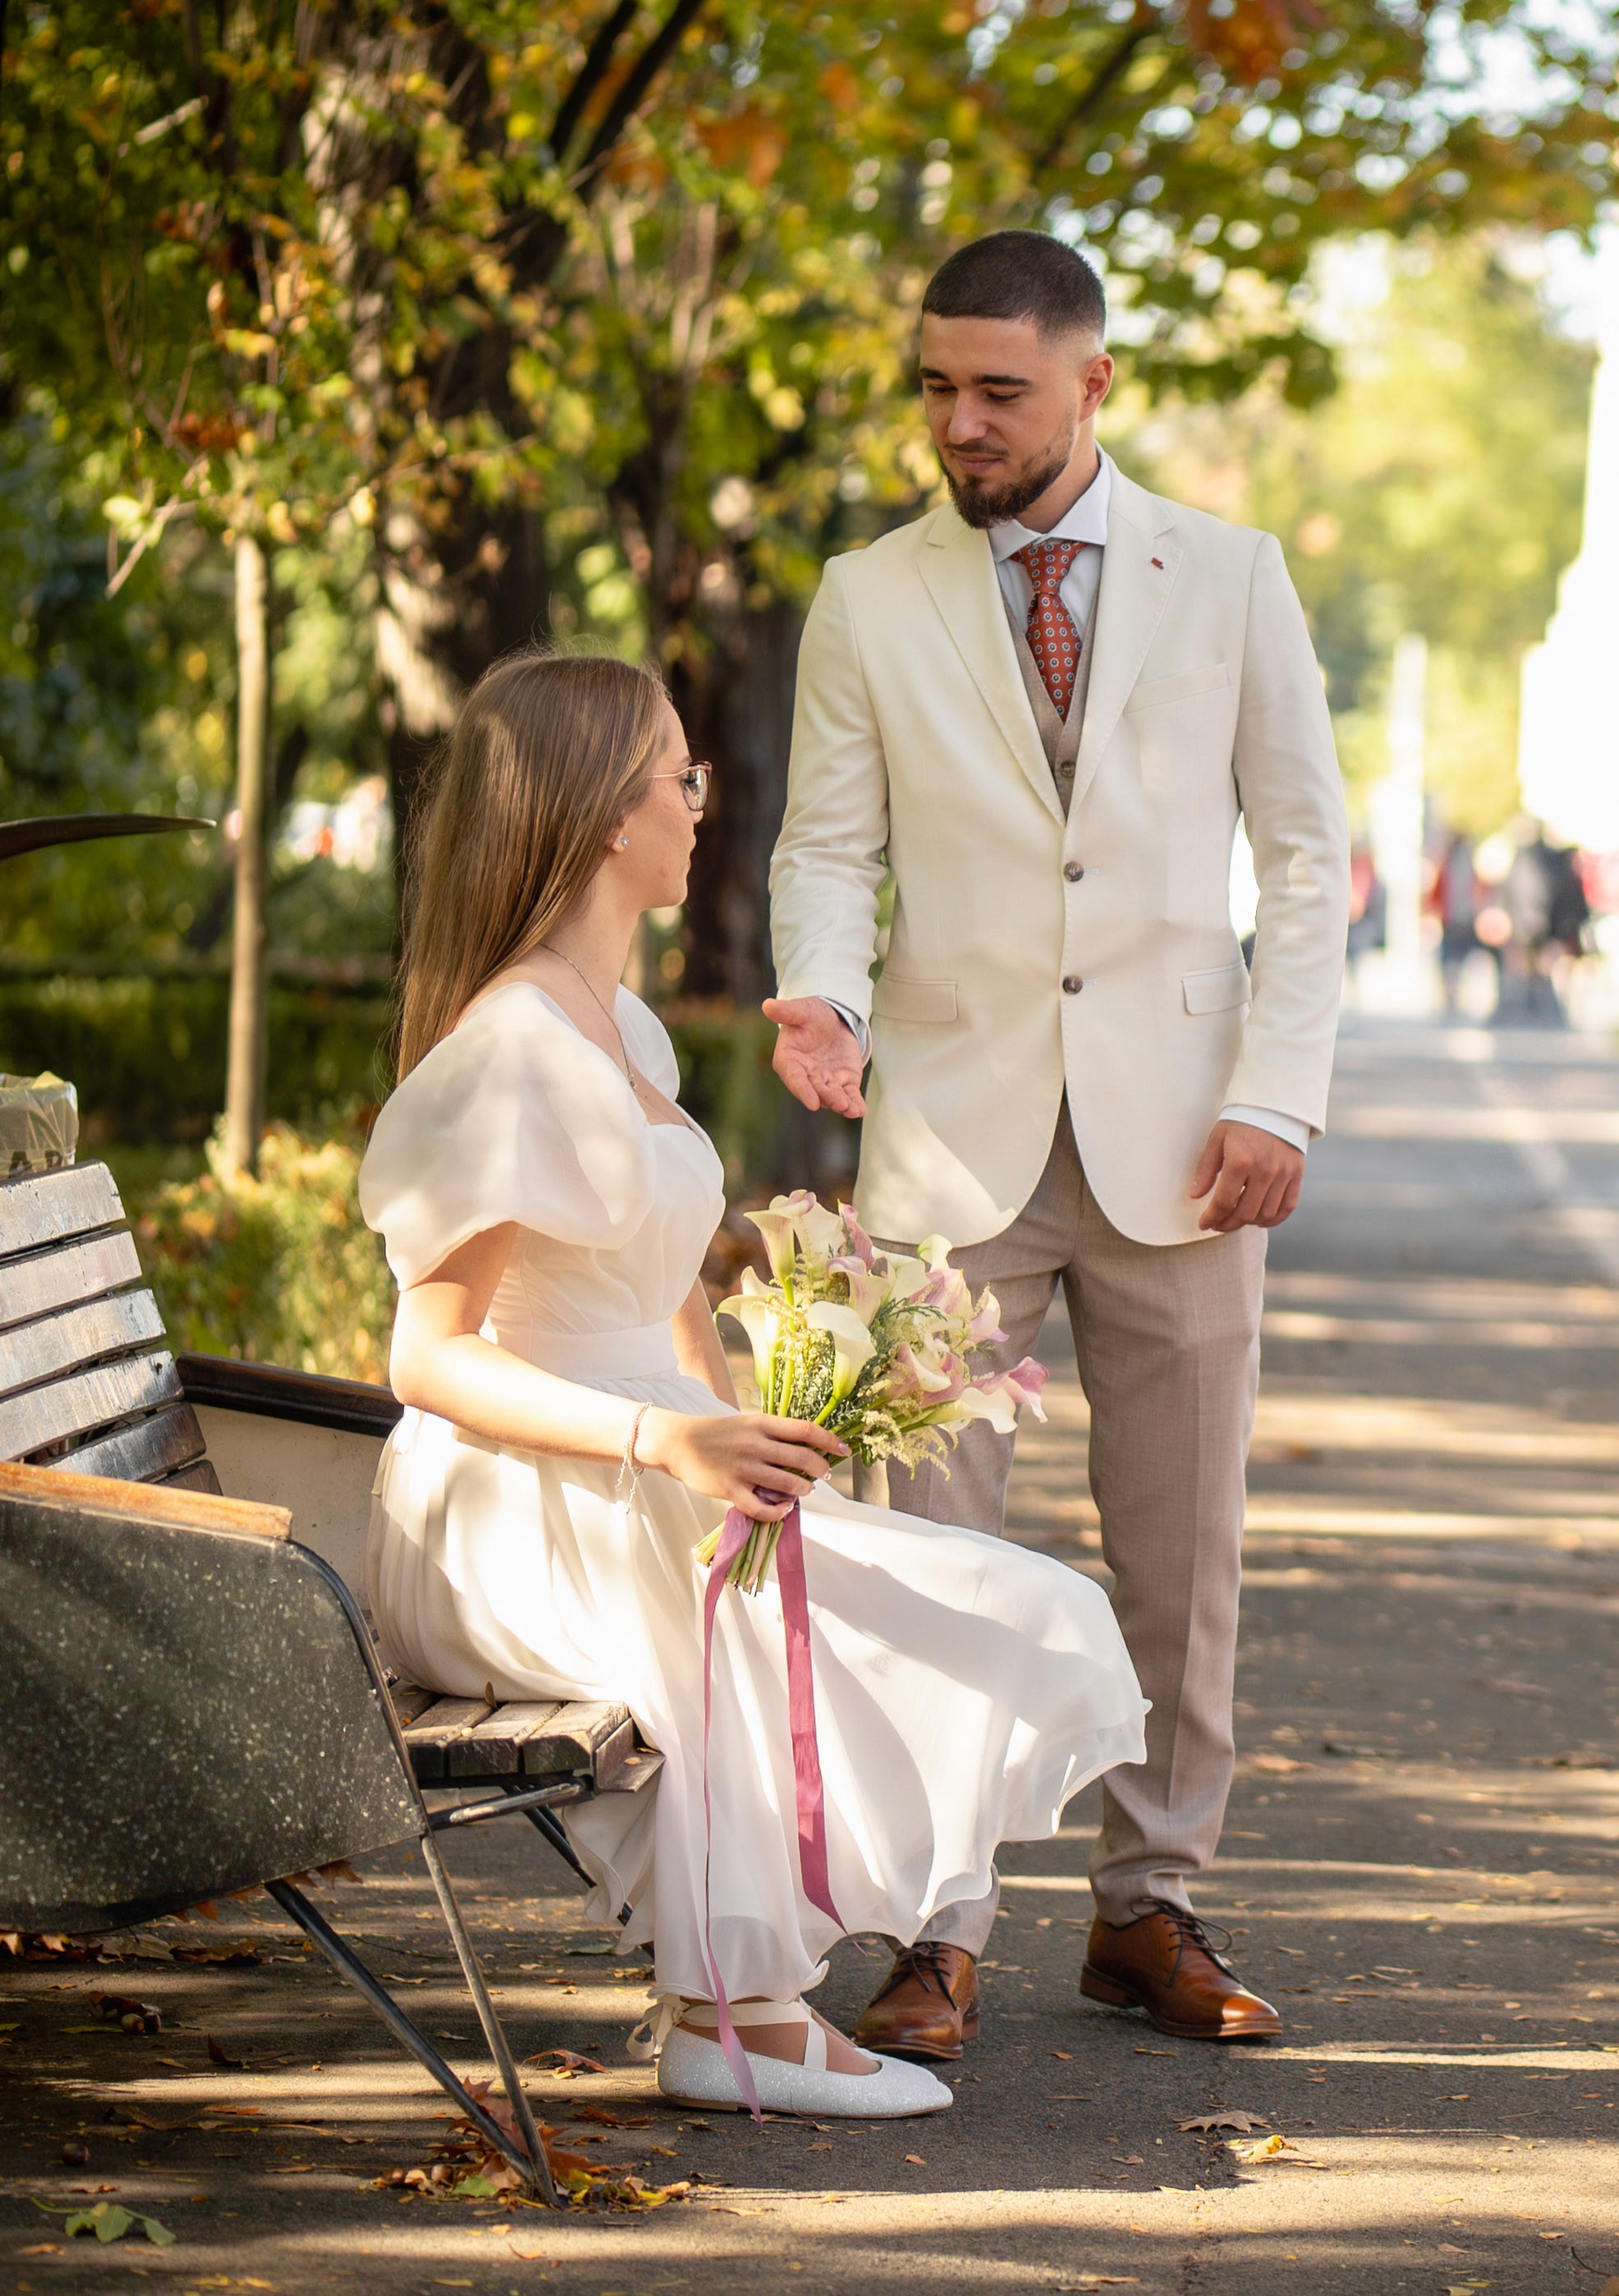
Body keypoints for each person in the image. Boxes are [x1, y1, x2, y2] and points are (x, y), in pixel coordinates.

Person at [358, 650, 1145, 2121]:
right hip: (509, 1499)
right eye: (679, 773)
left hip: (641, 1459)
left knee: (1003, 1604)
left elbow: (673, 1293)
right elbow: (428, 1356)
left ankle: (751, 1994)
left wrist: (769, 1445)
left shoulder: (627, 1028)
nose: (699, 802)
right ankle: (743, 2015)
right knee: (752, 1627)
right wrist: (668, 1439)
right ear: (605, 815)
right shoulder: (509, 1051)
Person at [763, 229, 1350, 2062]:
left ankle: (1148, 1904)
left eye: (997, 389)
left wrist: (1278, 1092)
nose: (959, 421)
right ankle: (931, 1925)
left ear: (1093, 383)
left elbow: (1311, 857)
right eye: (934, 386)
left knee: (1180, 1553)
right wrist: (820, 992)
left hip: (1188, 1143)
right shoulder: (868, 594)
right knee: (928, 1558)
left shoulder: (1234, 576)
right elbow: (826, 845)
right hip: (947, 1139)